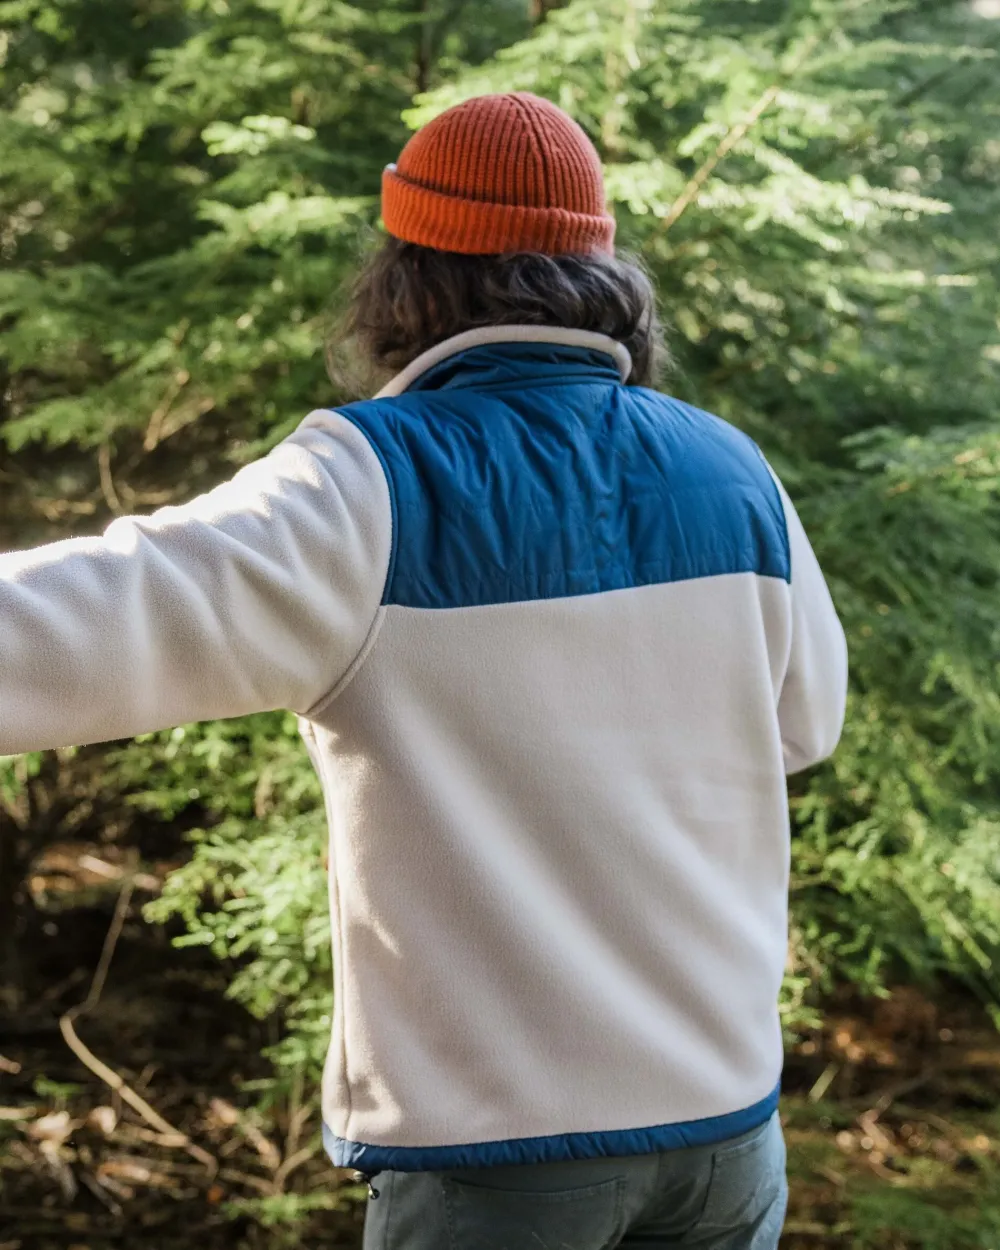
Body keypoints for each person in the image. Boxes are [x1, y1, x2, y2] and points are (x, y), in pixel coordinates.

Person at [0, 92, 847, 1249]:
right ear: (601, 275)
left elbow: (93, 614)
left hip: (500, 1160)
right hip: (723, 1137)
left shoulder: (367, 487)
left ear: (407, 281)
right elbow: (803, 724)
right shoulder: (732, 471)